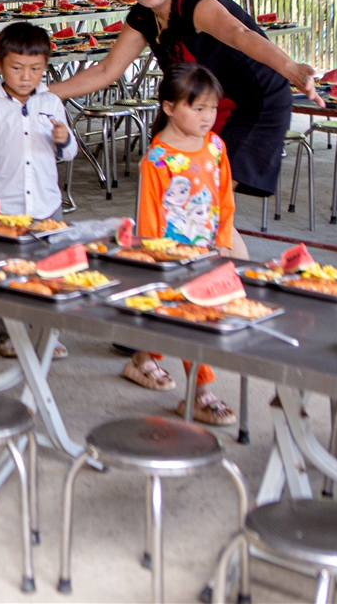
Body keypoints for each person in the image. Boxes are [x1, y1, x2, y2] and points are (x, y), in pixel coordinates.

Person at [50, 0, 322, 218]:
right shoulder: (142, 16)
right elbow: (106, 70)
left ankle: (212, 258)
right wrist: (41, 92)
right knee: (178, 195)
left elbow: (239, 33)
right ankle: (184, 254)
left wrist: (290, 67)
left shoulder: (195, 4)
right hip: (201, 103)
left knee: (203, 202)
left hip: (254, 102)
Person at [128, 63, 238, 426]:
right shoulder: (158, 159)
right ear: (170, 107)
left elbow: (224, 199)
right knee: (190, 321)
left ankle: (142, 358)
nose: (208, 117)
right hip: (170, 258)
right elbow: (148, 217)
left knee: (182, 318)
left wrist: (223, 241)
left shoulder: (216, 146)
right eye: (198, 108)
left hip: (207, 252)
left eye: (212, 108)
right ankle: (200, 393)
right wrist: (156, 257)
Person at [0, 22, 75, 359]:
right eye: (16, 68)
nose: (26, 77)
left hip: (46, 204)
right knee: (4, 269)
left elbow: (69, 152)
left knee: (51, 269)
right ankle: (9, 333)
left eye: (36, 69)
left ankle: (47, 332)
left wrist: (63, 140)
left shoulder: (52, 103)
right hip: (4, 205)